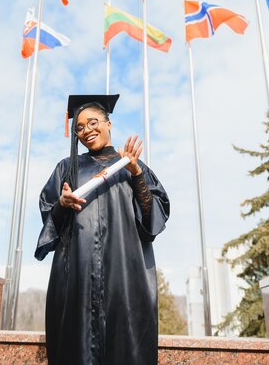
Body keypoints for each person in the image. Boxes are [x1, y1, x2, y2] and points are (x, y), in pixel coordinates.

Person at [35, 94, 170, 364]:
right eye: (80, 127)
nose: (87, 130)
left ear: (108, 124)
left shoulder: (132, 166)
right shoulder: (67, 168)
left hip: (125, 276)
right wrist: (62, 204)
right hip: (77, 276)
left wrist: (136, 174)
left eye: (93, 122)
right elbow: (50, 217)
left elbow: (153, 218)